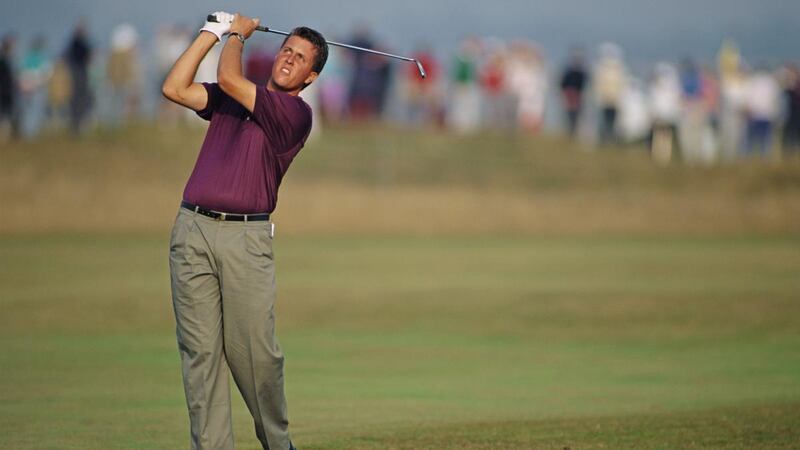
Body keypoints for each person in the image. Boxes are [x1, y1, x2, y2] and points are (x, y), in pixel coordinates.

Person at [161, 11, 327, 450]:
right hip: (192, 231)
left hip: (245, 240)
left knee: (254, 355)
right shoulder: (233, 97)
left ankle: (277, 443)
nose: (289, 59)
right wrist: (209, 33)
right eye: (286, 50)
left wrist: (235, 35)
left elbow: (231, 78)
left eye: (301, 58)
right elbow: (174, 87)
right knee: (200, 357)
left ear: (310, 77)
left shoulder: (294, 113)